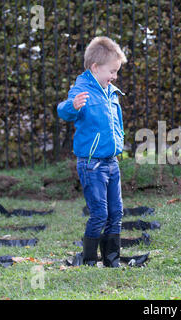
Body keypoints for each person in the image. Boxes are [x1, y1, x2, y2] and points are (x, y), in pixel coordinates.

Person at [57, 36, 127, 267]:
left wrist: (120, 141)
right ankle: (88, 260)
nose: (115, 76)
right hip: (92, 165)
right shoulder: (81, 90)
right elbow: (64, 111)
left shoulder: (110, 92)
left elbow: (117, 122)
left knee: (116, 212)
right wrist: (72, 106)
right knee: (100, 214)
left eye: (117, 71)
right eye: (112, 71)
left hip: (111, 162)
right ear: (95, 68)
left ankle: (112, 260)